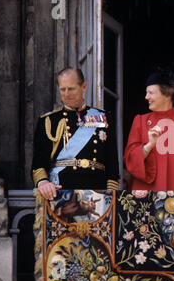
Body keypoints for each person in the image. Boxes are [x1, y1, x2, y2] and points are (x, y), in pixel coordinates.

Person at [32, 68, 120, 200]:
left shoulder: (103, 118)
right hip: (59, 193)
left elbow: (112, 163)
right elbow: (38, 163)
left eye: (71, 89)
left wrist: (110, 195)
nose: (66, 94)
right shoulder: (48, 121)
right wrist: (43, 182)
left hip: (97, 193)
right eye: (63, 89)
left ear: (84, 87)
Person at [124, 70, 174, 191]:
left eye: (151, 93)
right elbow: (129, 160)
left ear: (167, 95)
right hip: (145, 197)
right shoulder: (140, 121)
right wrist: (148, 146)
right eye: (146, 93)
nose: (146, 97)